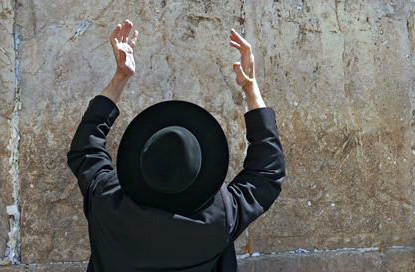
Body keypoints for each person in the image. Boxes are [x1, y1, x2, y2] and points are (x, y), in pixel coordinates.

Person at [66, 19, 286, 272]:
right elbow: (267, 173)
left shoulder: (107, 200)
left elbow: (85, 147)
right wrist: (250, 88)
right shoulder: (220, 216)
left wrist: (120, 78)